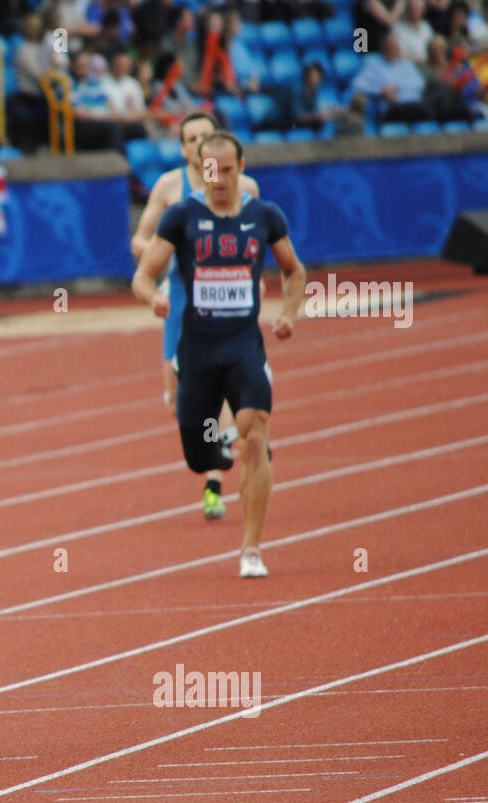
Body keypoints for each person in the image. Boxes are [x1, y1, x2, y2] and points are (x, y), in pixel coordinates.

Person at [133, 131, 306, 578]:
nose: (220, 179)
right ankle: (218, 455)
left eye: (228, 170)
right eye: (211, 170)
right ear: (200, 169)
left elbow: (294, 269)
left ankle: (251, 548)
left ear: (241, 167)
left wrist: (289, 312)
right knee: (199, 455)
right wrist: (152, 297)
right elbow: (143, 273)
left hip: (244, 345)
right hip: (197, 350)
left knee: (255, 435)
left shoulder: (265, 216)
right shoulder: (181, 216)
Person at [131, 111, 260, 520]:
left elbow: (257, 239)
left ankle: (214, 481)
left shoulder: (247, 188)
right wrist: (156, 258)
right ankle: (226, 439)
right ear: (184, 147)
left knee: (220, 382)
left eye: (205, 137)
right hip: (182, 297)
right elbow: (140, 238)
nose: (197, 145)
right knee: (177, 397)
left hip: (226, 302)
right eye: (190, 139)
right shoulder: (171, 187)